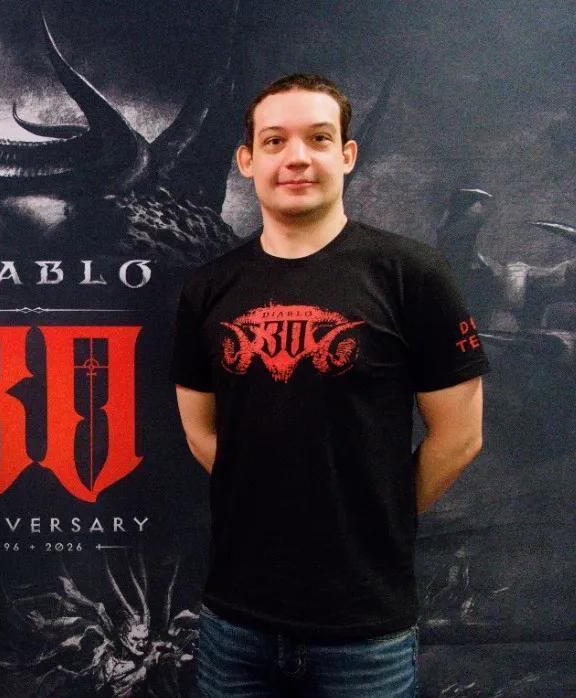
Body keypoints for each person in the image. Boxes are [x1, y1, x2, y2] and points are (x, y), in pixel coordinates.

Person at [172, 74, 489, 696]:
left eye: (318, 138)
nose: (296, 157)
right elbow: (199, 429)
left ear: (347, 154)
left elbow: (460, 436)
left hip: (365, 630)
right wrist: (270, 503)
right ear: (247, 160)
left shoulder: (413, 274)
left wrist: (374, 517)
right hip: (234, 623)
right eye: (274, 140)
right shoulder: (207, 287)